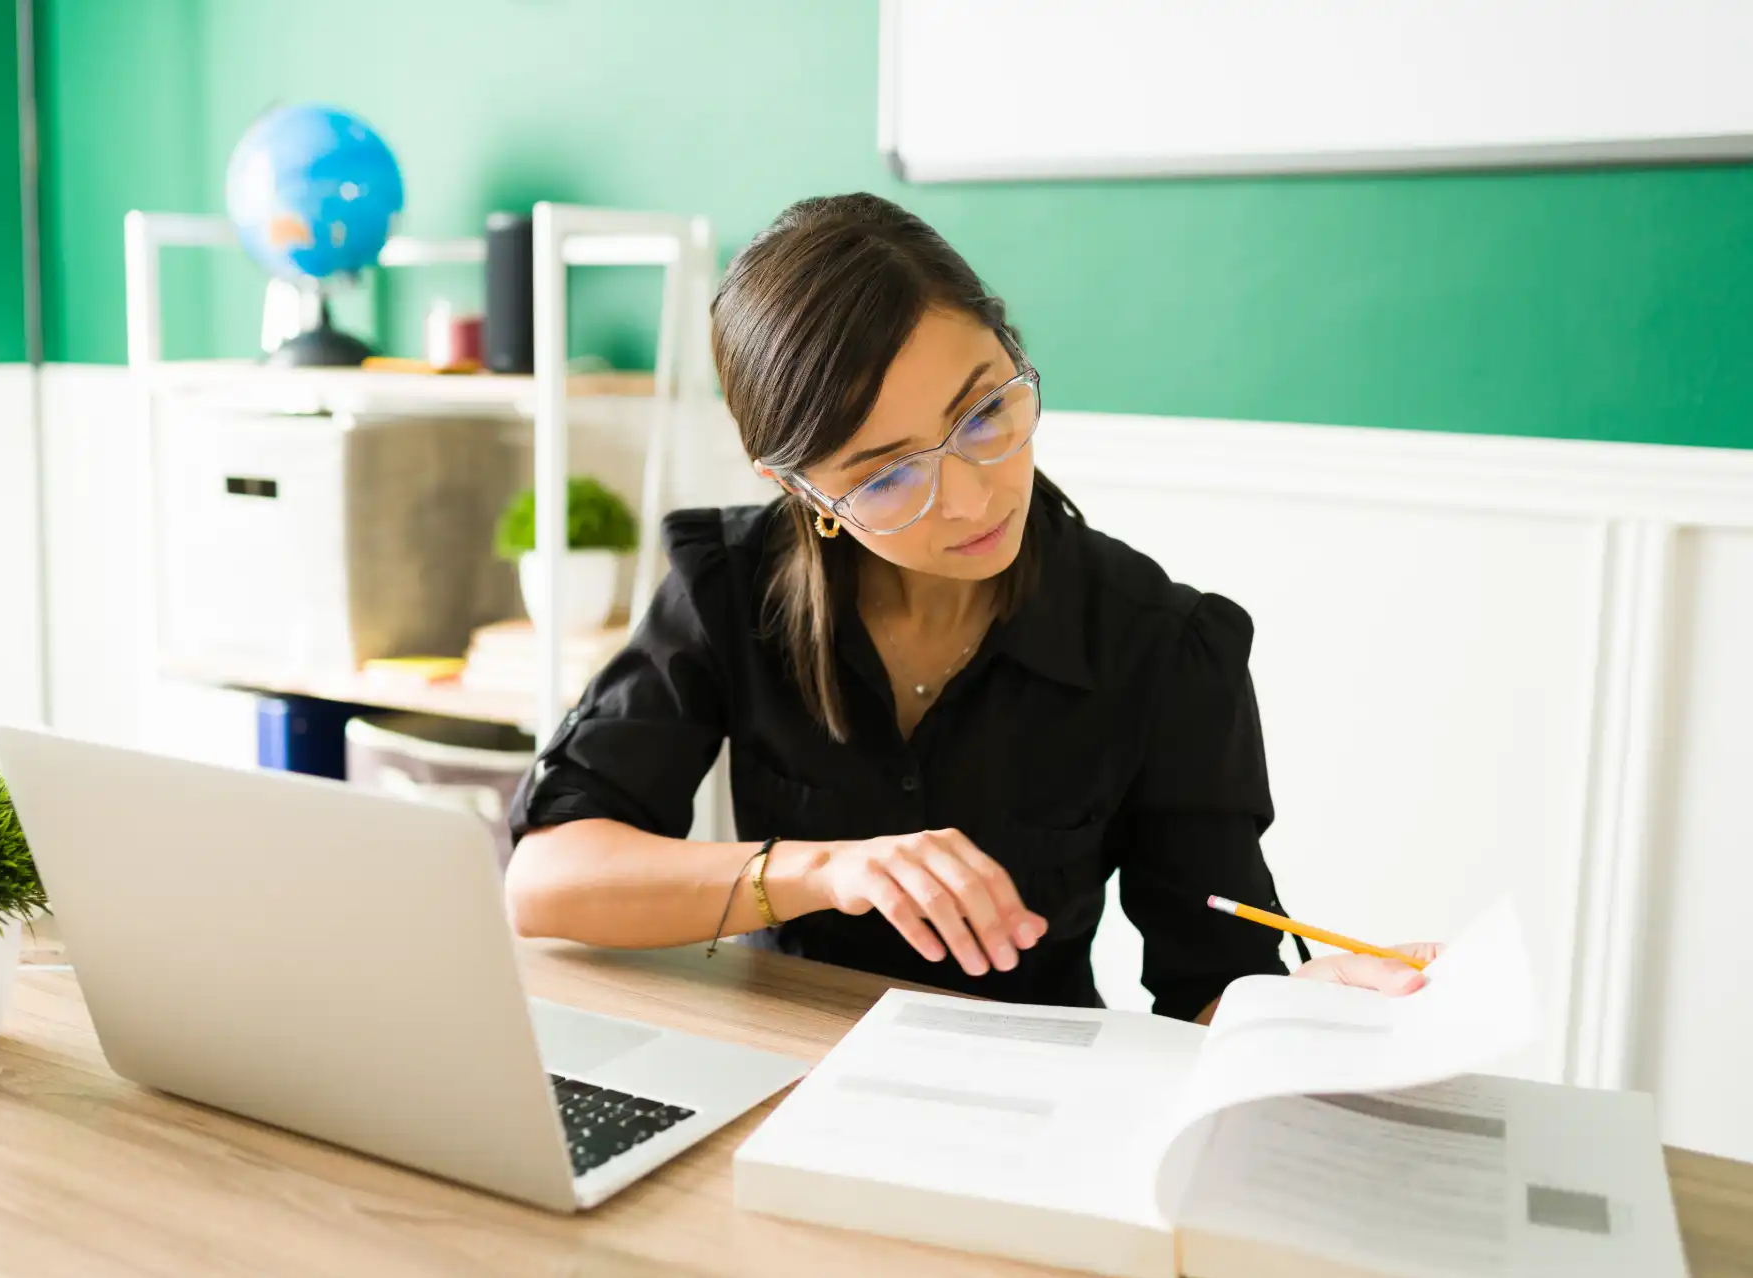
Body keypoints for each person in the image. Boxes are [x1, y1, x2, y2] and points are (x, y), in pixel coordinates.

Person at [506, 193, 1436, 1022]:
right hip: (777, 1057)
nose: (970, 497)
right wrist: (819, 870)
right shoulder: (729, 585)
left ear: (1014, 353)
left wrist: (1298, 1013)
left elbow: (1210, 984)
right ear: (797, 491)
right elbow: (545, 882)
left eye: (986, 413)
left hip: (1035, 1097)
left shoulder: (1160, 644)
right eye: (886, 475)